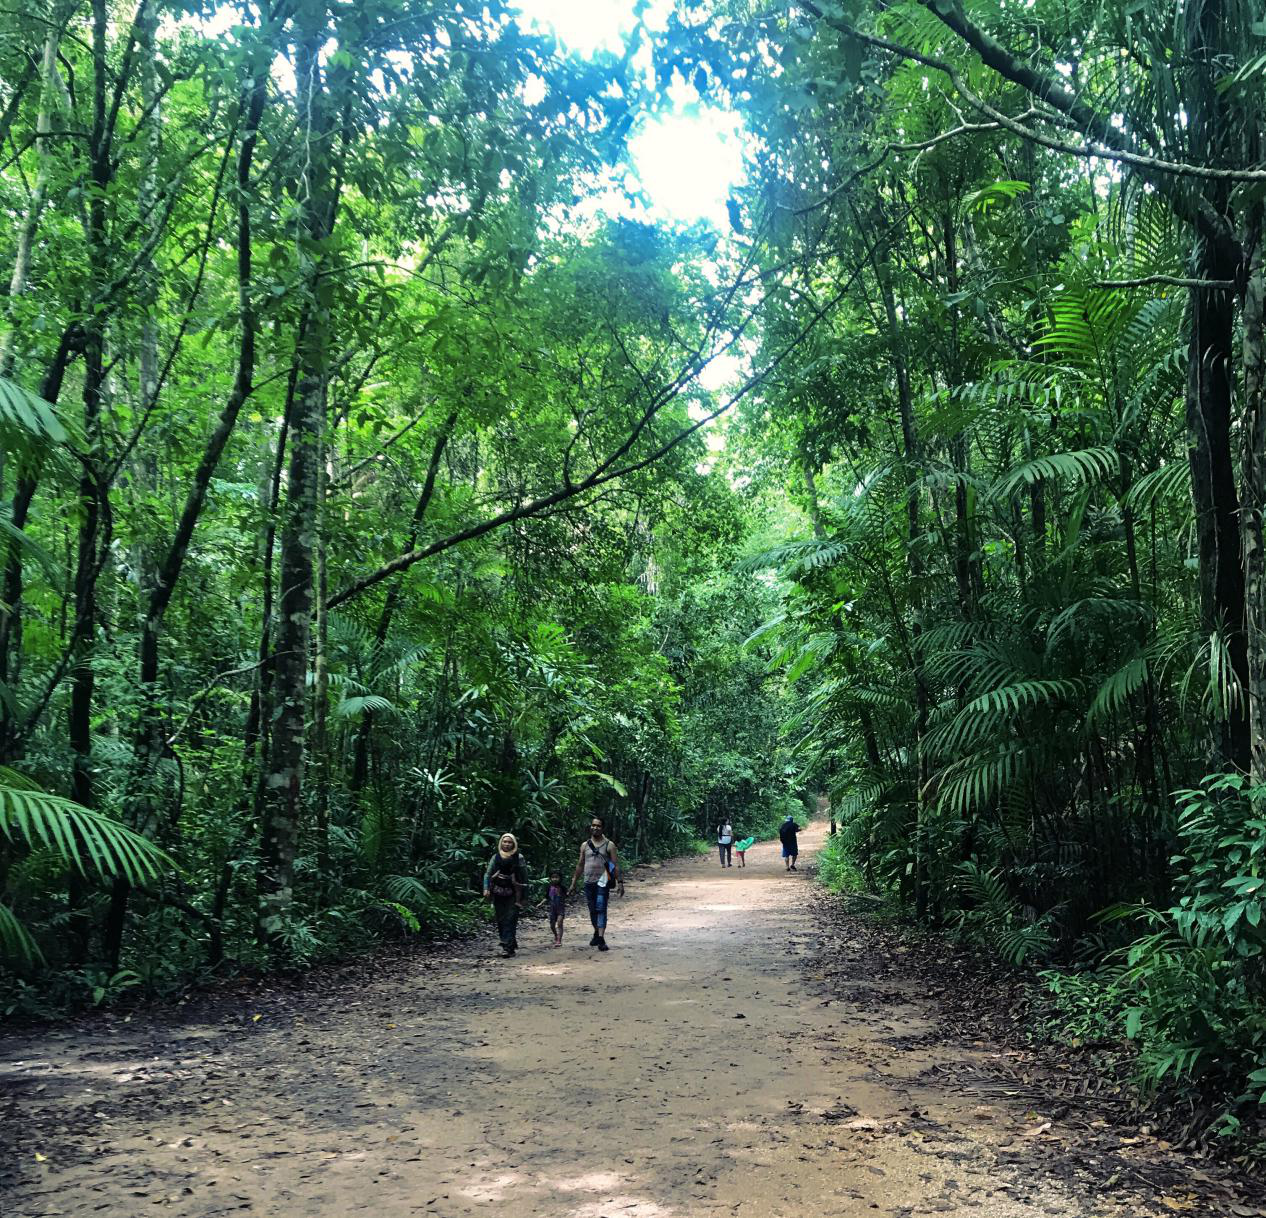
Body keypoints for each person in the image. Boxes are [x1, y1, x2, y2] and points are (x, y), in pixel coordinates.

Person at [568, 816, 623, 951]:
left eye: (598, 826)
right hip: (588, 881)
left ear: (602, 828)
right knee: (592, 910)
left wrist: (620, 882)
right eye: (593, 825)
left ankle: (601, 938)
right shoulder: (585, 845)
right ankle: (596, 933)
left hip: (603, 881)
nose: (595, 827)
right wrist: (574, 882)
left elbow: (615, 865)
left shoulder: (609, 845)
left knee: (601, 908)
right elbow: (580, 865)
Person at [483, 833, 527, 956]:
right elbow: (488, 874)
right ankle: (508, 941)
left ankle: (507, 946)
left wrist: (524, 896)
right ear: (501, 843)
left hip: (514, 892)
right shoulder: (495, 857)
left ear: (514, 844)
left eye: (509, 842)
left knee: (511, 918)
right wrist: (486, 888)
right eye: (504, 842)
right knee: (501, 918)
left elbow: (524, 877)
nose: (507, 844)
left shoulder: (519, 857)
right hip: (498, 891)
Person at [547, 872, 567, 946]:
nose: (555, 879)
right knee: (552, 925)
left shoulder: (562, 887)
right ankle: (556, 935)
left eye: (557, 877)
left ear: (560, 878)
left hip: (560, 909)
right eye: (553, 877)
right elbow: (546, 897)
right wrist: (540, 903)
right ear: (550, 878)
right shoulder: (549, 887)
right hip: (552, 909)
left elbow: (566, 895)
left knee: (559, 923)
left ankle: (559, 940)